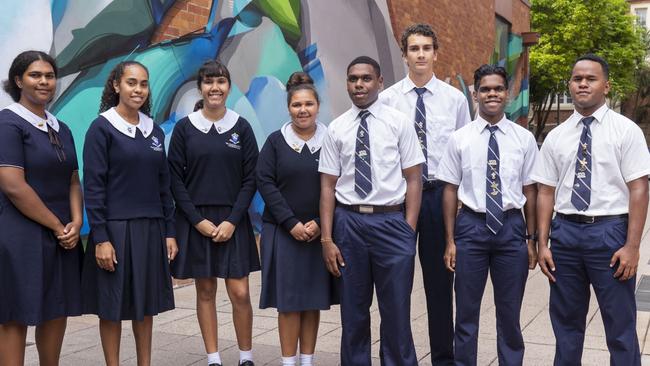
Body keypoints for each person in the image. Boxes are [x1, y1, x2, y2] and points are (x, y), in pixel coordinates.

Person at [532, 54, 650, 366]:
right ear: (570, 85)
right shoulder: (556, 137)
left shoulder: (626, 131)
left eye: (591, 79)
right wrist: (543, 243)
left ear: (606, 86)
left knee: (619, 325)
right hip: (566, 234)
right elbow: (545, 191)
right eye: (577, 79)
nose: (582, 84)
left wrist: (633, 246)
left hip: (609, 233)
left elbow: (639, 188)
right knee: (566, 324)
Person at [319, 56, 424, 366]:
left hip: (392, 222)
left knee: (396, 310)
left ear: (379, 82)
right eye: (353, 79)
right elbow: (327, 186)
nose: (359, 84)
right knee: (353, 310)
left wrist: (408, 229)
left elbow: (414, 178)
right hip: (349, 224)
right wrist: (327, 239)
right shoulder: (336, 129)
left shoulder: (398, 123)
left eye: (366, 78)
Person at [380, 23, 471, 365]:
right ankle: (393, 357)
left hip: (439, 198)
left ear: (436, 53)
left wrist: (460, 200)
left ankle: (443, 359)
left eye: (426, 48)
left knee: (439, 287)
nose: (420, 54)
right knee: (394, 286)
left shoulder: (455, 100)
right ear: (404, 55)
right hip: (398, 200)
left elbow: (465, 152)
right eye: (414, 48)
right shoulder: (387, 100)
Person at [438, 65, 538, 366]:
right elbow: (449, 190)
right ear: (475, 93)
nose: (491, 94)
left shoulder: (524, 139)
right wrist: (450, 240)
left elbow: (531, 191)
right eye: (485, 89)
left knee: (509, 313)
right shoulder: (459, 139)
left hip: (510, 228)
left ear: (506, 94)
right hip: (471, 227)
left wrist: (532, 239)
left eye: (497, 88)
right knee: (466, 313)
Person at [81, 60, 178, 366]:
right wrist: (101, 238)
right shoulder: (101, 128)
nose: (138, 89)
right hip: (115, 231)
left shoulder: (154, 130)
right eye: (131, 82)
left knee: (145, 307)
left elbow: (165, 187)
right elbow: (94, 187)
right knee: (112, 308)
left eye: (143, 84)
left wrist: (170, 232)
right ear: (116, 86)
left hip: (151, 230)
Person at [167, 60, 259, 366]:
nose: (214, 88)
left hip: (233, 220)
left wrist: (233, 221)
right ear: (200, 87)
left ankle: (246, 356)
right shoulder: (184, 129)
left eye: (220, 82)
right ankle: (213, 357)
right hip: (197, 221)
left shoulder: (241, 127)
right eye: (208, 82)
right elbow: (175, 179)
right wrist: (198, 221)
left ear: (229, 87)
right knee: (205, 290)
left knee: (240, 292)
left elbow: (251, 178)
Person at [0, 50, 83, 366]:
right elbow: (13, 185)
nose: (44, 81)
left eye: (49, 75)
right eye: (35, 75)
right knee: (14, 314)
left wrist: (76, 221)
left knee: (55, 309)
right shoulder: (7, 123)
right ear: (19, 80)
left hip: (62, 234)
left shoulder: (62, 128)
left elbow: (73, 179)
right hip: (20, 235)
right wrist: (56, 225)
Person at [257, 72, 339, 366]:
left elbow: (339, 185)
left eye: (308, 104)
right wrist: (290, 223)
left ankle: (307, 360)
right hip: (283, 232)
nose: (302, 110)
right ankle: (288, 361)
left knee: (312, 301)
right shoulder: (276, 142)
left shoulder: (331, 139)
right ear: (288, 108)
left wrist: (320, 221)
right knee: (289, 304)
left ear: (318, 106)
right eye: (296, 105)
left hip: (321, 232)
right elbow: (265, 182)